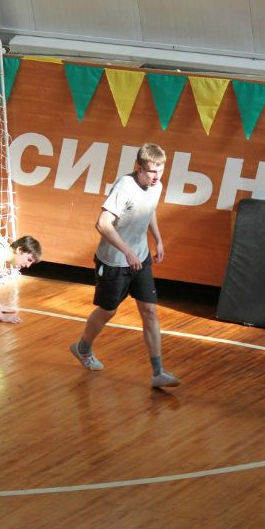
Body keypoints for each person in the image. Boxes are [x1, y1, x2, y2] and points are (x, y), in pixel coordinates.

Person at [69, 143, 180, 389]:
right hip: (114, 262)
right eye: (151, 171)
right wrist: (127, 251)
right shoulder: (124, 187)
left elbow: (149, 210)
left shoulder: (156, 186)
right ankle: (82, 348)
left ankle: (158, 372)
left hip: (140, 258)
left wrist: (158, 239)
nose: (157, 176)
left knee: (149, 311)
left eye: (161, 170)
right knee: (107, 311)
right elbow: (102, 224)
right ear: (138, 167)